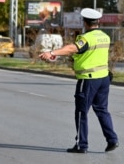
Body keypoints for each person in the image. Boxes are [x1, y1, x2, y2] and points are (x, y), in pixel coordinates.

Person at [39, 8, 119, 153]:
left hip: (88, 79)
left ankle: (82, 145)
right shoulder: (104, 36)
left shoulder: (86, 38)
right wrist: (58, 56)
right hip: (104, 78)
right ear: (98, 22)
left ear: (85, 22)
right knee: (102, 110)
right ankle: (112, 139)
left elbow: (73, 48)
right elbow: (86, 54)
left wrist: (52, 52)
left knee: (81, 112)